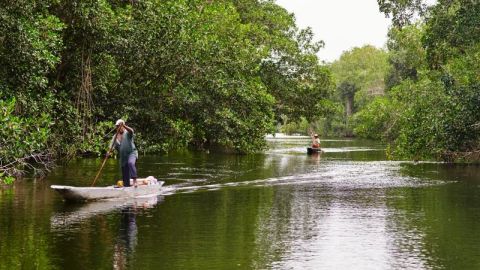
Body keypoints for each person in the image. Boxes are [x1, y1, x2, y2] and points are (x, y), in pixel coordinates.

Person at [109, 119, 138, 187]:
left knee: (131, 163)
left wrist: (124, 126)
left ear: (122, 126)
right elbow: (111, 146)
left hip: (132, 153)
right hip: (123, 157)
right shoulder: (115, 137)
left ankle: (135, 180)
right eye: (117, 126)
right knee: (125, 177)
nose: (118, 128)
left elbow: (131, 131)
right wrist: (109, 151)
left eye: (120, 126)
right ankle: (126, 186)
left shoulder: (127, 133)